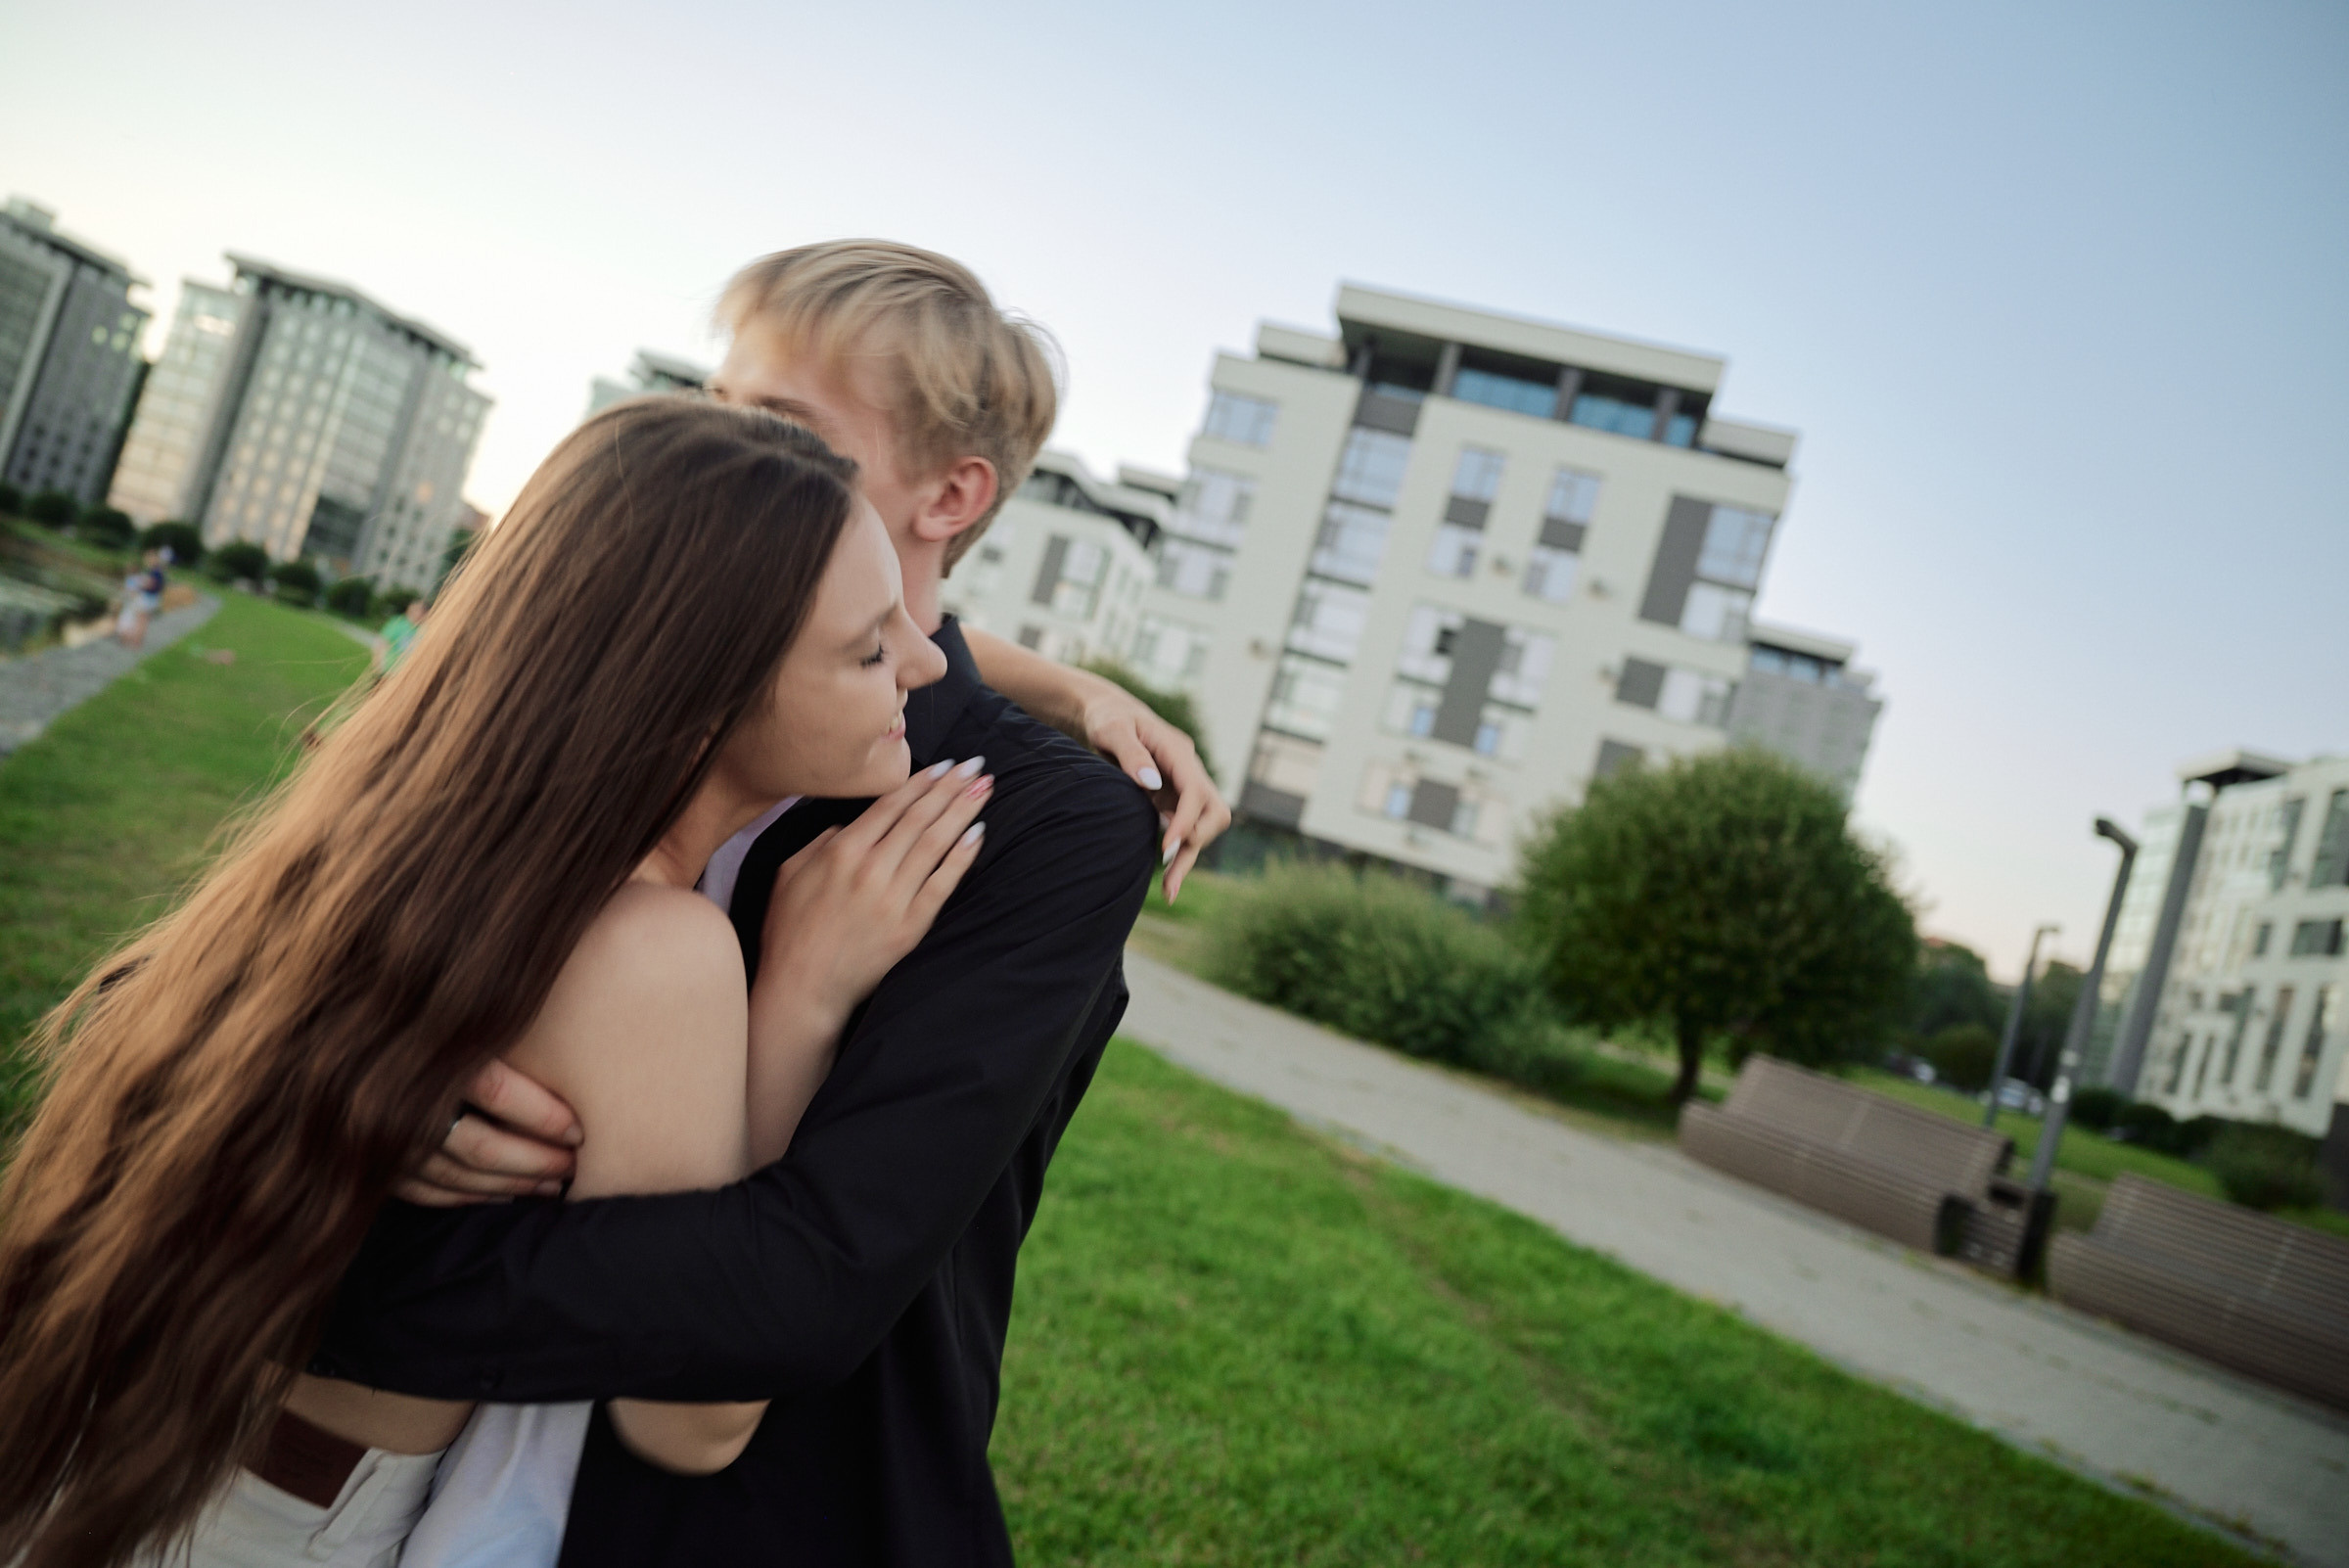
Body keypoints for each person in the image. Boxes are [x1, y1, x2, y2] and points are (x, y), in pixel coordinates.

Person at [305, 243, 1222, 1566]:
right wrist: (358, 1096)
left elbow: (806, 1272)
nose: (717, 452)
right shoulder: (623, 698)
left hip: (755, 1508)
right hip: (423, 1486)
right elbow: (274, 943)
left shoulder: (1042, 820)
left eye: (780, 428)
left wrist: (300, 1257)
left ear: (952, 493)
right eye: (712, 404)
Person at [0, 398, 990, 1567]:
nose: (928, 663)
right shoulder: (652, 952)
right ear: (695, 705)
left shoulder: (418, 830)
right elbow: (692, 1419)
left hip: (110, 1426)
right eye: (871, 648)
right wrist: (802, 1001)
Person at [376, 597, 426, 675]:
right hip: (388, 670)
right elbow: (382, 643)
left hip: (404, 675)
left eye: (421, 610)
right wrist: (378, 665)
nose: (418, 613)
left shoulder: (424, 630)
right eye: (416, 609)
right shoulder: (397, 623)